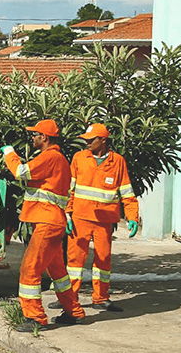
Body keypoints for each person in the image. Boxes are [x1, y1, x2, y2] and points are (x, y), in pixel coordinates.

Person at [1, 119, 86, 332]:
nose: (32, 138)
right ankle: (73, 311)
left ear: (44, 137)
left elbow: (21, 172)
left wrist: (9, 153)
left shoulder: (50, 157)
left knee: (30, 268)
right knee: (58, 273)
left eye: (35, 134)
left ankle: (36, 317)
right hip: (52, 222)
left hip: (48, 223)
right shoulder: (57, 159)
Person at [63, 123, 139, 312]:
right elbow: (69, 189)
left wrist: (132, 217)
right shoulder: (79, 158)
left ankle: (101, 298)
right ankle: (69, 298)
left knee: (103, 260)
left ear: (103, 140)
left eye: (90, 140)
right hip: (80, 218)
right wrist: (66, 213)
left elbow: (127, 192)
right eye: (86, 140)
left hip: (104, 222)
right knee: (74, 261)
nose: (87, 143)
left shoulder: (118, 161)